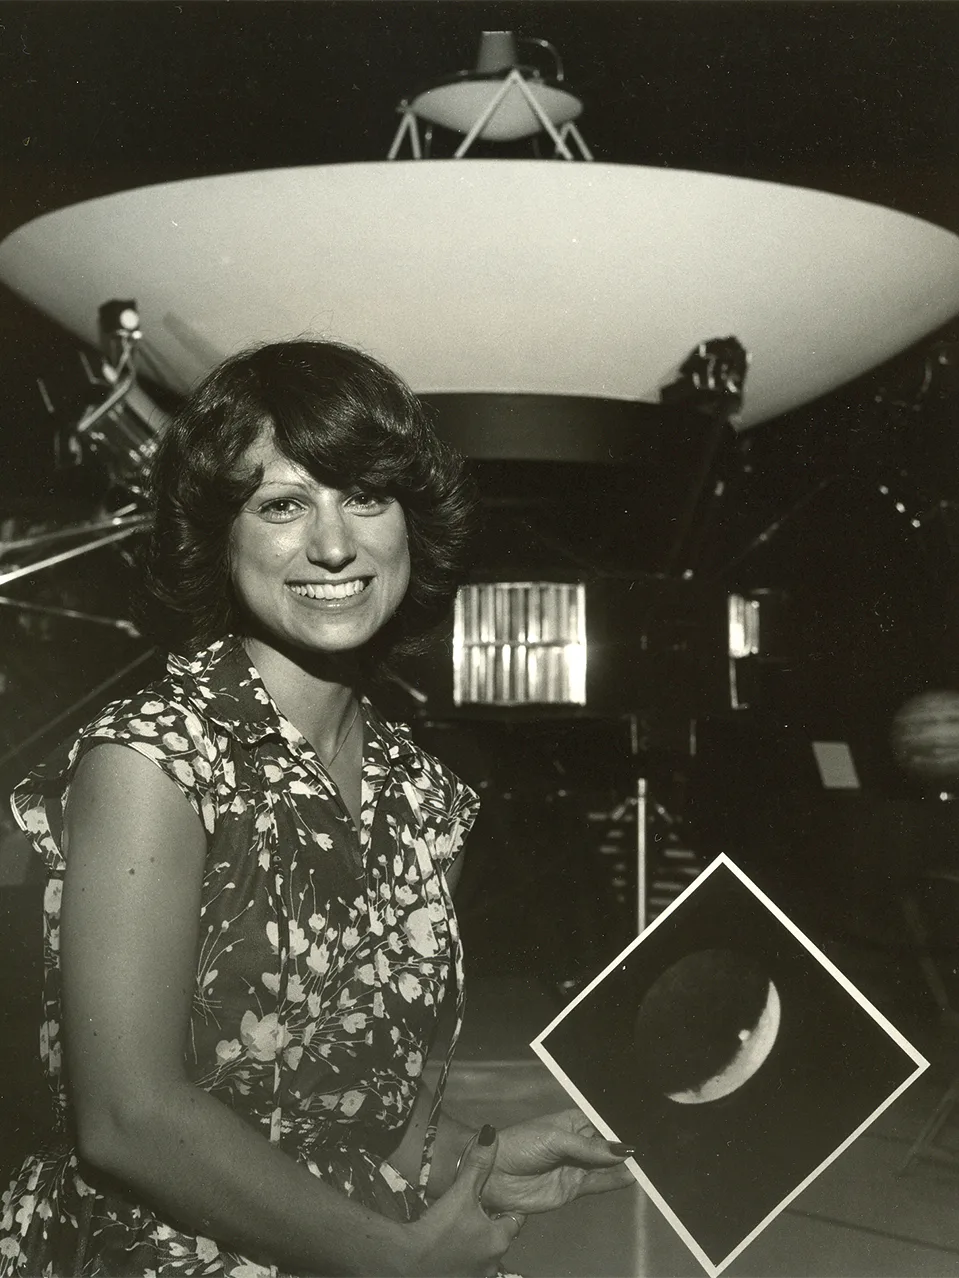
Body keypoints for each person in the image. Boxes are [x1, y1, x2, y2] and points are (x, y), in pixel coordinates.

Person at [0, 340, 634, 1278]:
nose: (334, 546)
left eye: (365, 497)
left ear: (412, 524)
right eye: (282, 505)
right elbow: (128, 1118)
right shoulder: (154, 759)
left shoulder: (426, 800)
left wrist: (482, 1158)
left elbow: (356, 1115)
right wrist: (395, 1260)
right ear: (218, 536)